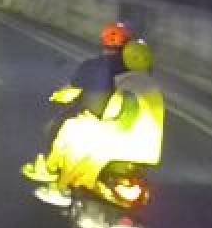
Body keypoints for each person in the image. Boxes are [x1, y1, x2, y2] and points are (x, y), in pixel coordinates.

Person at [32, 39, 164, 207]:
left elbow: (125, 119)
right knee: (89, 147)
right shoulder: (152, 86)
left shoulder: (129, 83)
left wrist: (95, 124)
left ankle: (59, 187)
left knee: (74, 133)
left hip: (124, 143)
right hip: (148, 152)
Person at [23, 22, 133, 184]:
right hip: (125, 124)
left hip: (94, 120)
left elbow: (70, 89)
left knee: (58, 126)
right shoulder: (134, 69)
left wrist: (58, 95)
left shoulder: (92, 65)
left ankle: (51, 169)